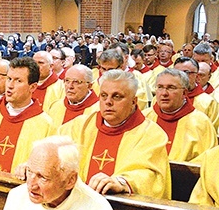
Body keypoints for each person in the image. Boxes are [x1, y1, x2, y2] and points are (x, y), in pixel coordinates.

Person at [59, 69, 171, 198]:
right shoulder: (79, 126)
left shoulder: (151, 134)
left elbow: (151, 175)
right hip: (77, 204)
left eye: (117, 96)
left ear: (134, 101)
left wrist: (123, 182)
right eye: (104, 95)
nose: (108, 102)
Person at [144, 69, 216, 162]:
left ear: (184, 93)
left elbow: (208, 160)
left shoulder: (201, 123)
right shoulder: (145, 117)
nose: (164, 93)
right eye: (160, 87)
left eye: (171, 88)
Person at [173, 57, 219, 130]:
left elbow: (211, 134)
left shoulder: (209, 103)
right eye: (176, 73)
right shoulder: (160, 99)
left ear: (197, 77)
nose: (181, 77)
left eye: (186, 73)